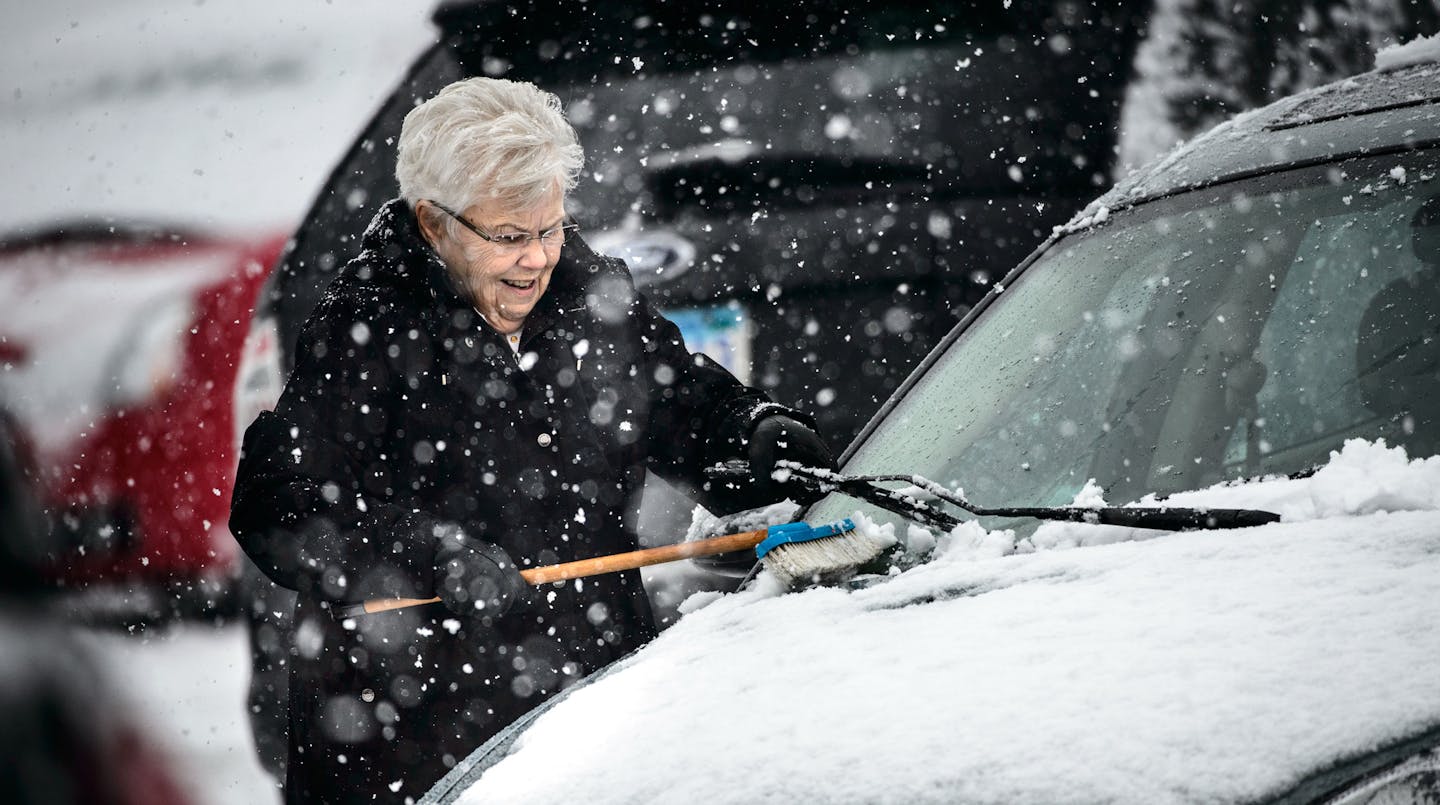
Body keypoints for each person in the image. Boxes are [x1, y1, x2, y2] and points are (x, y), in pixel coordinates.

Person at [229, 77, 835, 804]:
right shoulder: (367, 330)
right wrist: (430, 558)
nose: (536, 259)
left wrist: (751, 432)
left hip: (592, 716)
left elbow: (681, 405)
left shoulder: (588, 298)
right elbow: (276, 504)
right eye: (509, 237)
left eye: (550, 227)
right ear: (434, 223)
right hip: (417, 743)